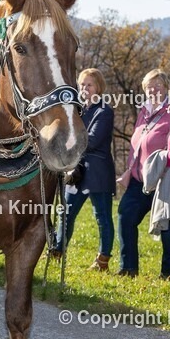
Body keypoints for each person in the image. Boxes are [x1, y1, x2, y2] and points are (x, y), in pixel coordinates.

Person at [116, 69, 170, 278]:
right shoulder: (143, 112)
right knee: (125, 216)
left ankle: (169, 273)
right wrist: (129, 170)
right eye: (149, 87)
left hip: (162, 179)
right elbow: (137, 145)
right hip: (139, 180)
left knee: (167, 225)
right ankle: (128, 268)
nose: (153, 90)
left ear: (166, 88)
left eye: (158, 86)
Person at [50, 68, 116, 270]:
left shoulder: (104, 110)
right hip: (76, 172)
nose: (85, 88)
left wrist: (69, 140)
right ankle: (57, 252)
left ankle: (102, 260)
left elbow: (93, 140)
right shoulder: (78, 110)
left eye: (90, 84)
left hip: (97, 172)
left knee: (102, 217)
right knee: (66, 213)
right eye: (82, 84)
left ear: (99, 87)